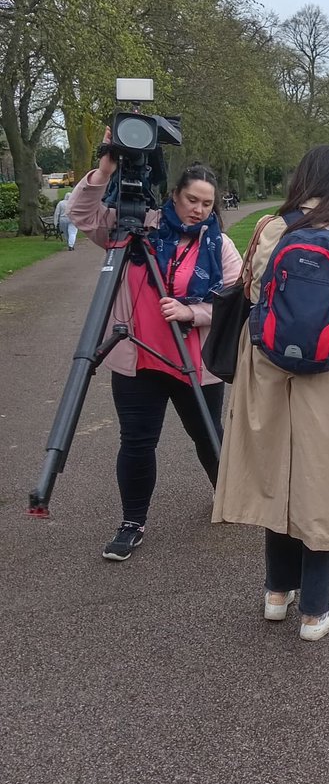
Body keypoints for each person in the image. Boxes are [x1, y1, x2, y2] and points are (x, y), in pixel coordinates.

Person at [212, 144, 329, 642]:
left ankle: (278, 595)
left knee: (278, 480)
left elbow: (252, 300)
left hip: (267, 377)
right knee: (324, 489)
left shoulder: (269, 231)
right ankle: (316, 612)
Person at [67, 155, 243, 559]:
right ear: (175, 196)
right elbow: (82, 214)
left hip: (193, 360)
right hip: (138, 358)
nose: (198, 210)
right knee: (137, 442)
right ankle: (132, 522)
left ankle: (228, 496)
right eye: (191, 200)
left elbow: (235, 303)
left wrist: (192, 313)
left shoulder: (220, 245)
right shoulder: (135, 228)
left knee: (207, 433)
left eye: (206, 203)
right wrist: (105, 171)